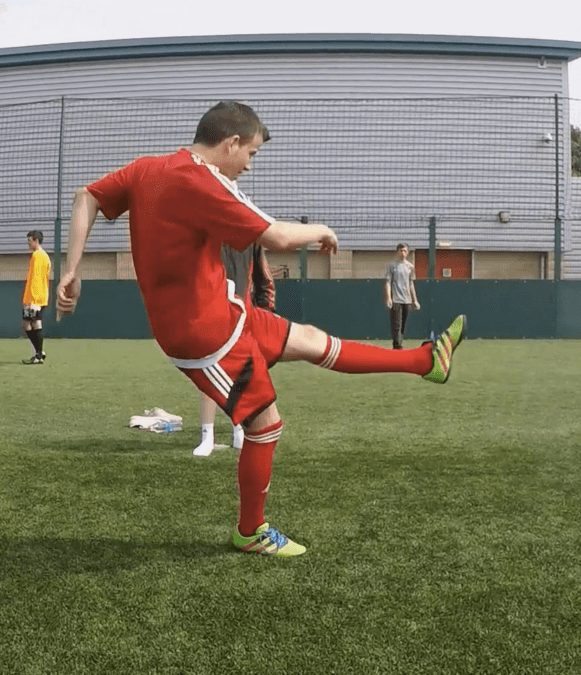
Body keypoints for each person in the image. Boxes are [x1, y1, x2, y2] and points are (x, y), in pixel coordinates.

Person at [56, 101, 466, 557]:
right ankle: (250, 532)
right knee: (265, 425)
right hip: (203, 335)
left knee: (312, 340)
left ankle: (424, 361)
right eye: (251, 153)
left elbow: (85, 196)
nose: (249, 165)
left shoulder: (147, 168)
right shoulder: (202, 181)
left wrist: (71, 268)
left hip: (228, 311)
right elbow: (277, 238)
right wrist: (323, 230)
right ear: (231, 143)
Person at [193, 242, 276, 457]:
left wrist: (266, 314)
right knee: (208, 369)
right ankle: (207, 436)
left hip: (242, 311)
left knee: (240, 371)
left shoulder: (252, 237)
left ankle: (238, 431)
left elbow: (263, 277)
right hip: (211, 308)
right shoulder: (207, 228)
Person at [384, 243, 420, 349]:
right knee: (396, 325)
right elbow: (388, 282)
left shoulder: (410, 267)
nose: (402, 253)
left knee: (403, 324)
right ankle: (397, 347)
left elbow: (411, 284)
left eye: (404, 251)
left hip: (407, 300)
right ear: (397, 252)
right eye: (400, 251)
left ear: (407, 252)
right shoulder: (392, 266)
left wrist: (415, 300)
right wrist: (389, 298)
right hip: (396, 299)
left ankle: (399, 344)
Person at [22, 230, 51, 364]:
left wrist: (32, 300)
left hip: (36, 297)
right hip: (38, 296)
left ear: (36, 240)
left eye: (30, 240)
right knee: (29, 323)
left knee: (33, 323)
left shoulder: (38, 256)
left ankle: (39, 354)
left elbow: (36, 279)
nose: (28, 243)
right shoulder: (42, 255)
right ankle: (39, 352)